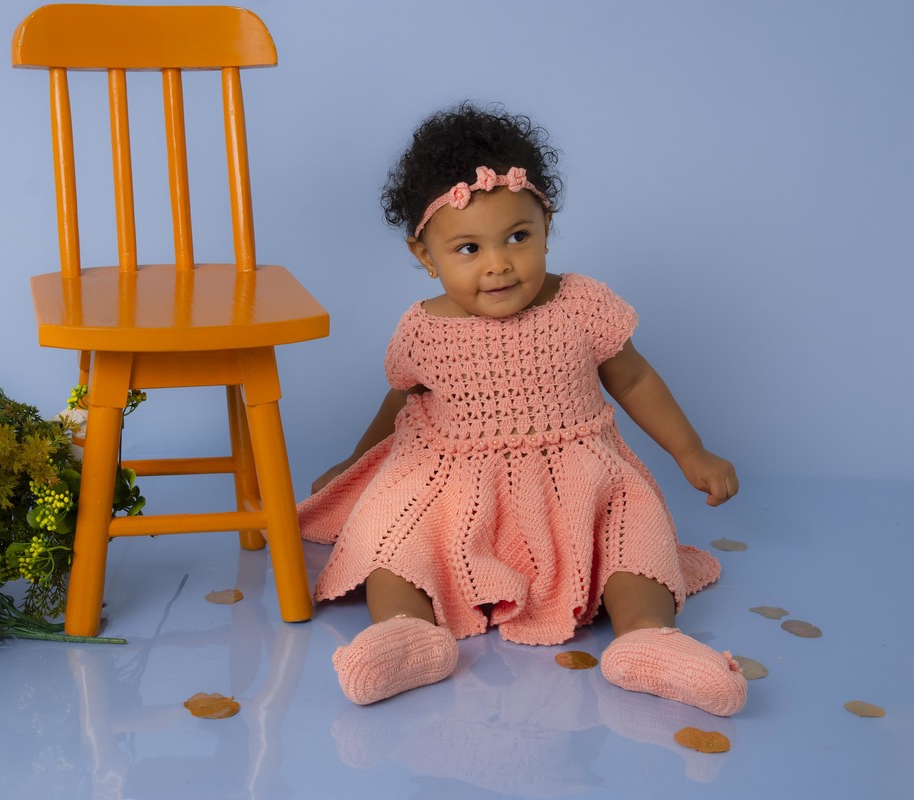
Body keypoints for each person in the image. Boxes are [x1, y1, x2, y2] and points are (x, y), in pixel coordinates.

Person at [298, 103, 746, 716]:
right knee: (394, 541)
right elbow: (402, 401)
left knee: (635, 541)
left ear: (545, 225)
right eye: (468, 248)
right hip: (451, 489)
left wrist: (690, 451)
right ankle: (405, 631)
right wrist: (357, 462)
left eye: (517, 237)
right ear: (425, 256)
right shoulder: (423, 330)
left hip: (580, 484)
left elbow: (635, 378)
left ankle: (647, 638)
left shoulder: (582, 304)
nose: (498, 263)